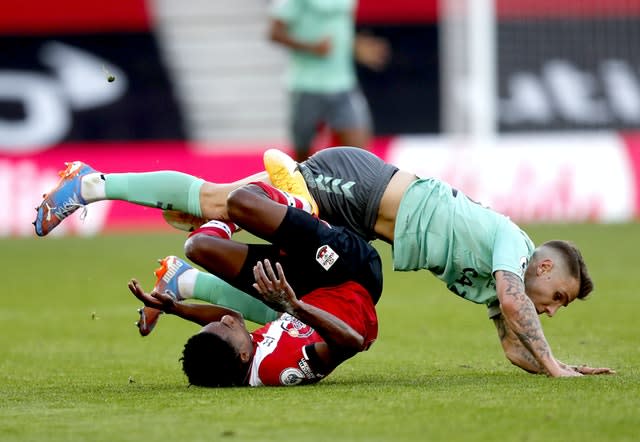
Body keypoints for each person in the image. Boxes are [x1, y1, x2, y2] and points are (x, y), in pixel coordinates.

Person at [33, 147, 614, 377]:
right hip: (364, 188)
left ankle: (187, 267)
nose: (552, 308)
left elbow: (514, 340)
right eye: (559, 295)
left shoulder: (498, 287)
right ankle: (93, 184)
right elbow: (519, 305)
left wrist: (556, 364)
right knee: (221, 200)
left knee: (219, 206)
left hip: (359, 219)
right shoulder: (513, 247)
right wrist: (558, 367)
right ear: (544, 268)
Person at [128, 179, 382, 387]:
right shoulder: (279, 366)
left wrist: (176, 308)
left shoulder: (242, 360)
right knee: (242, 200)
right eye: (225, 328)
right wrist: (294, 306)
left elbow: (231, 316)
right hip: (352, 275)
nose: (225, 320)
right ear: (243, 354)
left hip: (307, 288)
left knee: (198, 247)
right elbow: (351, 342)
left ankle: (223, 219)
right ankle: (298, 201)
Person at [268, 0, 389, 161]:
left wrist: (356, 47)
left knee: (361, 155)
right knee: (302, 158)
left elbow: (338, 30)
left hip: (343, 83)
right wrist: (311, 47)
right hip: (307, 85)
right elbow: (274, 33)